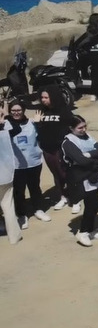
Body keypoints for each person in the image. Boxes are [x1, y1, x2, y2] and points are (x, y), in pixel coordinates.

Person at [61, 115, 98, 247]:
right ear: (71, 128)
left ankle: (90, 230)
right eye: (80, 128)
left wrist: (89, 154)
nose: (83, 130)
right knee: (92, 204)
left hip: (92, 174)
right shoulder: (68, 143)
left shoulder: (87, 137)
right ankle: (83, 232)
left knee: (94, 204)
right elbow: (81, 160)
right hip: (80, 177)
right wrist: (93, 158)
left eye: (84, 126)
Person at [3, 101, 51, 227]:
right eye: (13, 110)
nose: (16, 113)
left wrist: (39, 124)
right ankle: (21, 214)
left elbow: (43, 137)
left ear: (23, 110)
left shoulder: (32, 122)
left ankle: (38, 209)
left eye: (19, 110)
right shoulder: (5, 124)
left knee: (35, 187)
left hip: (34, 162)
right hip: (16, 165)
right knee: (19, 191)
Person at [35, 88, 75, 211]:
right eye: (42, 97)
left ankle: (75, 197)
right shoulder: (41, 111)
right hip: (47, 149)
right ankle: (63, 196)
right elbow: (39, 130)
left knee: (66, 173)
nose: (43, 100)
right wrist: (37, 123)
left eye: (46, 97)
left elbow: (72, 126)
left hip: (61, 148)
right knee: (56, 174)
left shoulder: (64, 111)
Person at [0, 104, 22, 244]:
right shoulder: (5, 130)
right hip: (5, 174)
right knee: (8, 206)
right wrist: (6, 116)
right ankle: (14, 237)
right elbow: (17, 128)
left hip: (4, 174)